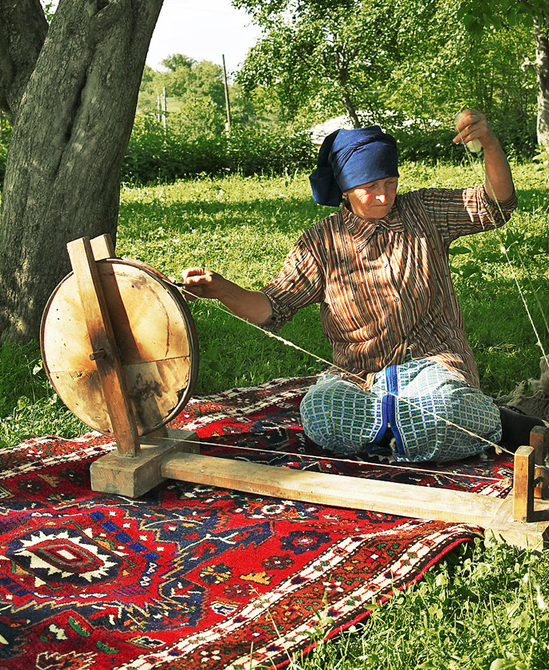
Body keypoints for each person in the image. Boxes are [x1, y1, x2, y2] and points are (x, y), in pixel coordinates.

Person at [182, 109, 520, 463]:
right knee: (321, 412)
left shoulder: (423, 212)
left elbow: (495, 205)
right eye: (370, 187)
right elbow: (271, 307)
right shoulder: (321, 243)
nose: (383, 196)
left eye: (390, 183)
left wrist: (489, 143)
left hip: (433, 365)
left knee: (442, 409)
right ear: (345, 190)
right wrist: (223, 290)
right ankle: (406, 431)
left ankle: (411, 430)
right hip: (361, 379)